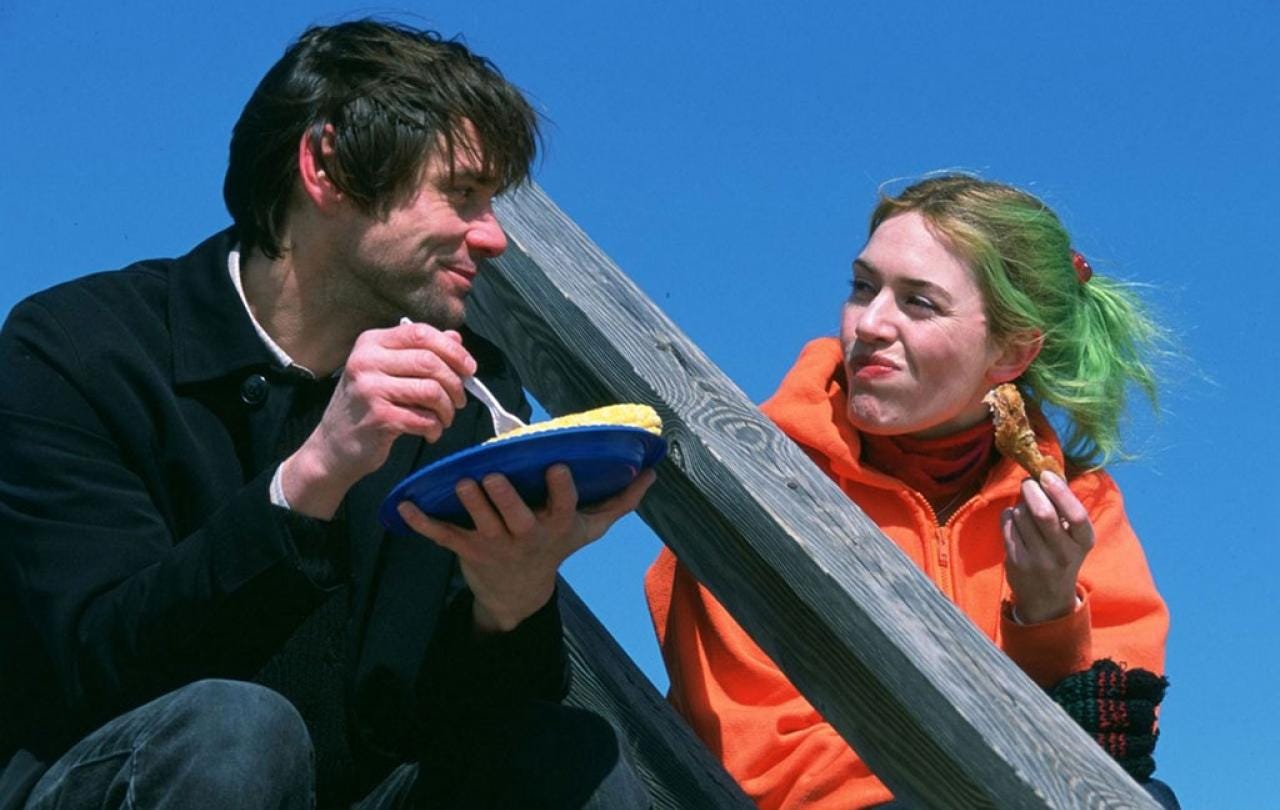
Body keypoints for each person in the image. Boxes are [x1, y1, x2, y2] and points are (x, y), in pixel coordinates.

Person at [0, 20, 655, 810]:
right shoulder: (78, 348)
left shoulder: (466, 388)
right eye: (462, 193)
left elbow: (470, 728)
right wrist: (312, 475)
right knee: (237, 729)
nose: (495, 237)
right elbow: (93, 672)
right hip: (117, 776)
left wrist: (509, 598)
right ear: (328, 166)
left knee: (565, 755)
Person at [646, 174, 1178, 809]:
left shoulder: (1082, 507)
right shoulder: (749, 473)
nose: (869, 324)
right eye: (863, 287)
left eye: (918, 302)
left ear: (1011, 351)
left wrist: (1047, 618)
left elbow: (1113, 759)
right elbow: (761, 760)